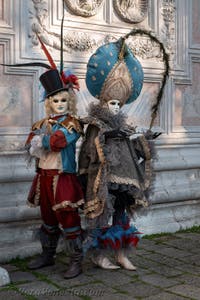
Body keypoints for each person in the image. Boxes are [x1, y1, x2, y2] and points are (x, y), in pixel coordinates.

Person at [78, 39, 156, 270]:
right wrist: (110, 134)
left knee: (122, 215)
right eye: (112, 102)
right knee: (101, 215)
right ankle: (98, 255)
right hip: (104, 177)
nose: (115, 107)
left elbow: (137, 148)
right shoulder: (94, 122)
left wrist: (145, 139)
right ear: (103, 101)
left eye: (119, 104)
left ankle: (121, 254)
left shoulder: (127, 124)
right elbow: (91, 147)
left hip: (125, 179)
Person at [25, 68, 84, 279]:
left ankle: (76, 261)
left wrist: (41, 140)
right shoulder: (41, 124)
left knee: (68, 218)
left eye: (63, 101)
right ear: (49, 102)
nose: (60, 104)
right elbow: (29, 144)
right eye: (55, 101)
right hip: (43, 177)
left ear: (70, 102)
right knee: (48, 218)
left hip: (63, 178)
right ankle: (47, 255)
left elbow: (58, 142)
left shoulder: (73, 124)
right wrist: (37, 141)